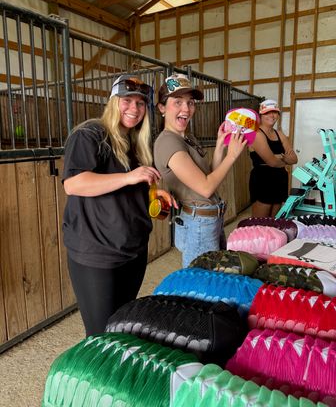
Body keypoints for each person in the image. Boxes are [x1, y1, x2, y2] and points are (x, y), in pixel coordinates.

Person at [62, 74, 176, 337]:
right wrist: (129, 177)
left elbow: (132, 188)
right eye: (127, 100)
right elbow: (75, 184)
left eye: (140, 103)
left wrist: (156, 197)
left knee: (123, 324)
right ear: (114, 101)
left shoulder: (137, 142)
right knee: (102, 334)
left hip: (133, 249)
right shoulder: (90, 135)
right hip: (97, 252)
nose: (134, 109)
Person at [154, 73, 247, 268]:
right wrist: (232, 156)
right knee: (201, 283)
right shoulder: (167, 142)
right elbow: (205, 188)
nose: (186, 108)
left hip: (211, 218)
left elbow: (209, 176)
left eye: (190, 102)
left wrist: (220, 145)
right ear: (162, 108)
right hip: (199, 224)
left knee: (214, 278)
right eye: (177, 102)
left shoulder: (187, 137)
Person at [249, 99, 298, 218]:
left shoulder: (279, 133)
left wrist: (279, 158)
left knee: (274, 221)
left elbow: (294, 159)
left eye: (275, 112)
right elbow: (272, 162)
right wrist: (284, 158)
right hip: (263, 180)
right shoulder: (256, 134)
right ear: (260, 115)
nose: (272, 115)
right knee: (260, 224)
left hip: (280, 180)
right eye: (267, 112)